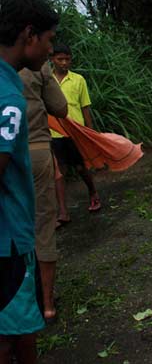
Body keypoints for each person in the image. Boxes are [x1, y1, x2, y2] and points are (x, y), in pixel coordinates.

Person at [0, 0, 59, 364]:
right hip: (8, 241)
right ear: (29, 34)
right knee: (10, 333)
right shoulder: (9, 98)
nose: (52, 49)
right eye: (50, 39)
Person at [19, 62, 67, 325]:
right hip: (35, 149)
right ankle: (47, 303)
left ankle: (16, 300)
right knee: (43, 225)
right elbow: (60, 107)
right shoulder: (36, 62)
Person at [49, 43, 101, 225]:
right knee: (58, 172)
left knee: (81, 168)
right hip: (55, 133)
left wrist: (90, 133)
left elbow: (85, 107)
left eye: (67, 59)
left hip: (76, 132)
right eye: (59, 59)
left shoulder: (78, 80)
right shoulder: (47, 80)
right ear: (52, 60)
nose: (64, 63)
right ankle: (63, 212)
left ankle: (93, 192)